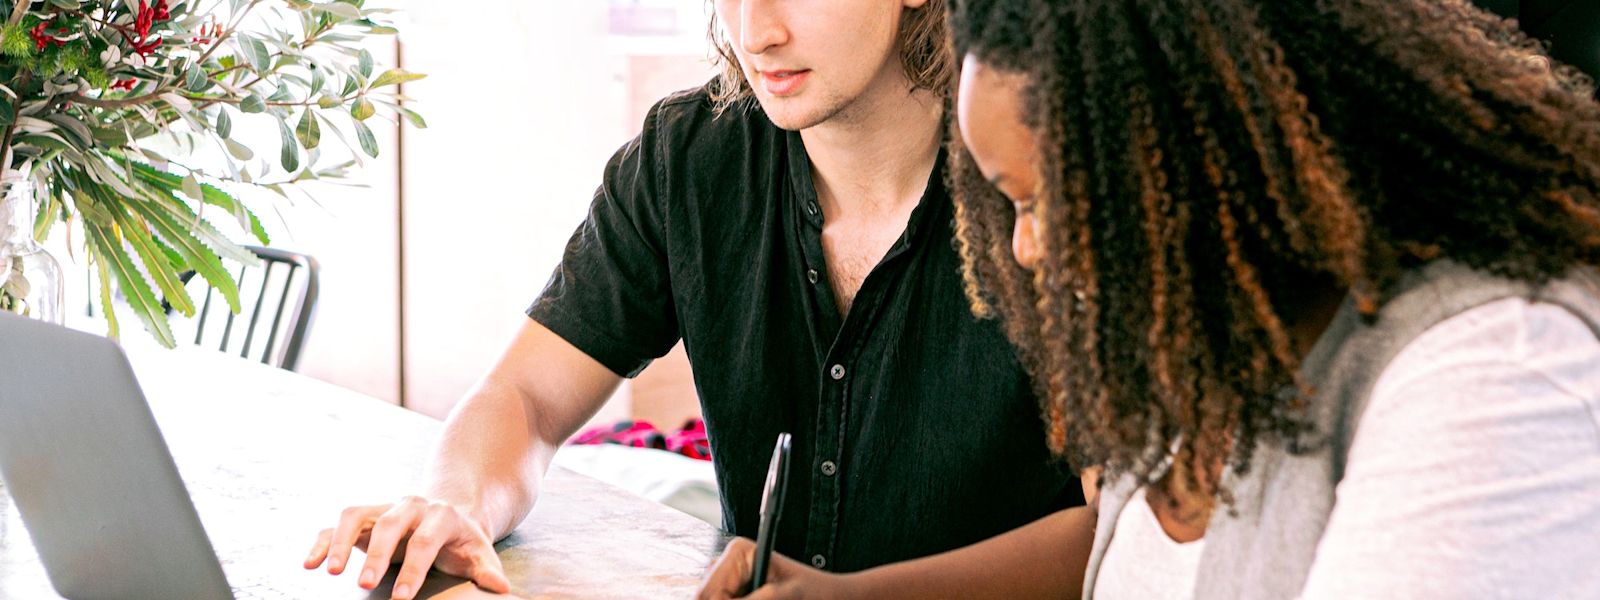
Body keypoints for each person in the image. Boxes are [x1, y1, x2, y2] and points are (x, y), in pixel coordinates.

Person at [698, 0, 1600, 598]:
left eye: (1047, 199)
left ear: (1214, 148)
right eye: (1009, 203)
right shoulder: (1210, 350)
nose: (1024, 248)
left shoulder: (1491, 377)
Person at [303, 1, 1084, 598]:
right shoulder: (690, 157)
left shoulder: (1053, 182)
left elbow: (1123, 529)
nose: (756, 30)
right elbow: (527, 394)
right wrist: (457, 504)